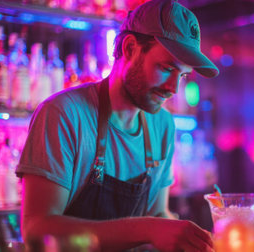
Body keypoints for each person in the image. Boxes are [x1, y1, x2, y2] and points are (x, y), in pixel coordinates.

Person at [16, 0, 219, 251]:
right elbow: (37, 230)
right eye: (166, 68)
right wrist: (149, 229)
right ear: (131, 48)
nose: (173, 89)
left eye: (183, 75)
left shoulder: (163, 124)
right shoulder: (64, 114)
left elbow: (157, 215)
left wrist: (189, 239)